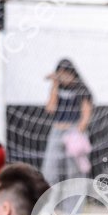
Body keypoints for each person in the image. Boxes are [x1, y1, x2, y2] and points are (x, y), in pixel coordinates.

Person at [42, 58, 93, 186]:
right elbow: (50, 109)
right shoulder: (57, 87)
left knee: (74, 172)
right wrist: (54, 84)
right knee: (50, 169)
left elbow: (86, 114)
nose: (64, 77)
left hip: (74, 131)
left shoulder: (82, 89)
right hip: (57, 131)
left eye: (66, 74)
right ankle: (49, 197)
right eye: (61, 74)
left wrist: (77, 134)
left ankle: (75, 199)